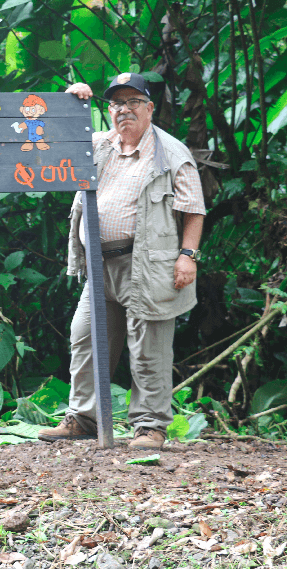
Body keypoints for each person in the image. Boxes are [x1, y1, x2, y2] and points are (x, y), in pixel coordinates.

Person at [37, 72, 205, 450]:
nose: (124, 110)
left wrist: (187, 255)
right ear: (109, 110)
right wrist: (71, 102)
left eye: (133, 102)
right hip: (99, 265)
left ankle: (150, 427)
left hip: (147, 264)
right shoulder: (97, 145)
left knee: (148, 347)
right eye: (116, 104)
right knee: (86, 338)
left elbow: (194, 209)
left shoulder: (171, 152)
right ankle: (84, 418)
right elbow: (50, 144)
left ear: (149, 107)